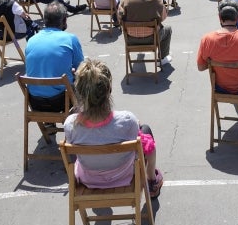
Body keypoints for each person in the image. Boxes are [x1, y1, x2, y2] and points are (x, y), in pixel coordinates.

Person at [63, 59, 163, 198]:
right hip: (124, 177)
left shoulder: (70, 124)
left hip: (88, 180)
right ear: (108, 90)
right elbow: (139, 145)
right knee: (145, 131)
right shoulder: (128, 120)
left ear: (79, 92)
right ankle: (152, 180)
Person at [24, 2, 83, 114]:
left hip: (35, 101)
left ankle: (49, 125)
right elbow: (81, 68)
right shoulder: (70, 39)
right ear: (64, 20)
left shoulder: (32, 40)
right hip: (61, 101)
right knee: (84, 80)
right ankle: (79, 126)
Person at [119, 0, 172, 65]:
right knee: (168, 29)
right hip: (151, 39)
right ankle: (162, 58)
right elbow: (163, 17)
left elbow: (120, 17)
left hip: (130, 39)